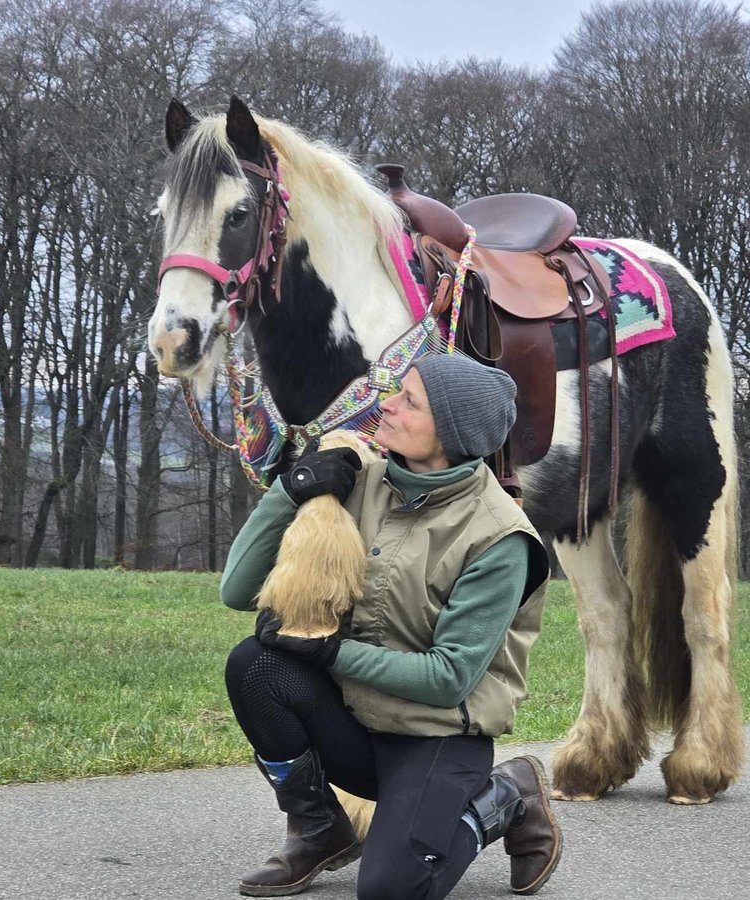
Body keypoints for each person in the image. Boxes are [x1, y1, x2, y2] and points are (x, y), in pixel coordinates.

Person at [221, 351, 560, 899]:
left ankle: (505, 798)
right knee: (254, 665)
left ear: (449, 433)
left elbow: (450, 678)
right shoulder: (358, 484)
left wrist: (330, 653)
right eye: (395, 390)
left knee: (392, 890)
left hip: (438, 739)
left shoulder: (500, 539)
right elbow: (237, 591)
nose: (387, 405)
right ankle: (320, 828)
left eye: (410, 401)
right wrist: (293, 490)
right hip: (357, 725)